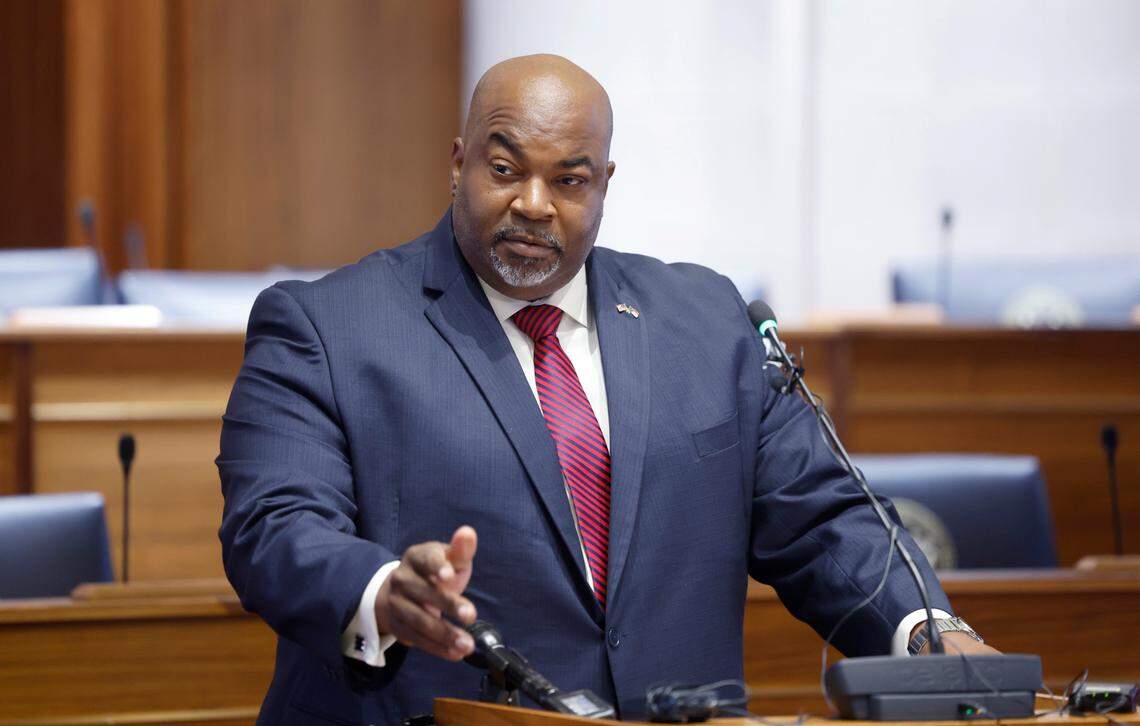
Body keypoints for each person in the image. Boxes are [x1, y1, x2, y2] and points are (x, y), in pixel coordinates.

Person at [218, 54, 996, 725]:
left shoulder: (707, 321)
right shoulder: (329, 327)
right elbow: (274, 527)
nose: (533, 203)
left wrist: (929, 632)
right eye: (504, 169)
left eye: (568, 179)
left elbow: (821, 517)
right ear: (458, 164)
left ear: (604, 184)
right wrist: (384, 591)